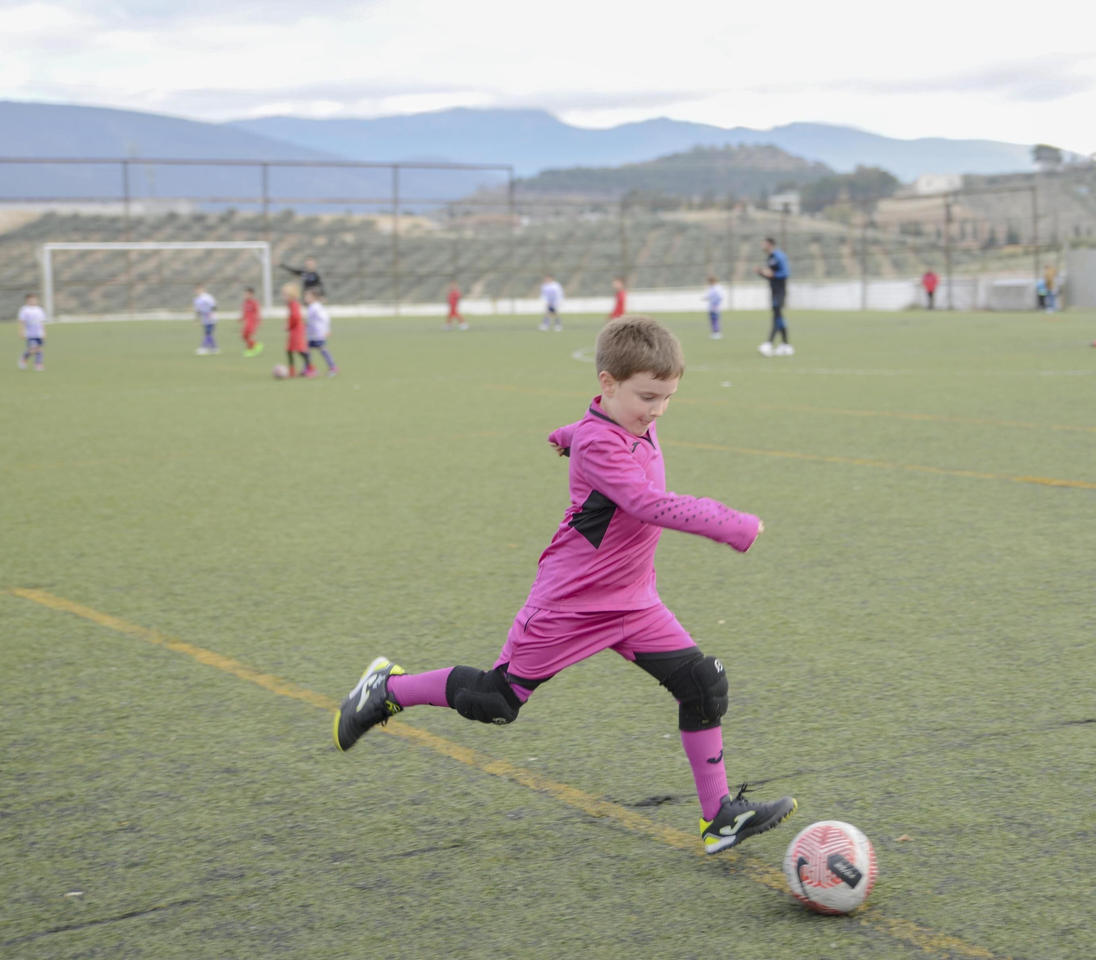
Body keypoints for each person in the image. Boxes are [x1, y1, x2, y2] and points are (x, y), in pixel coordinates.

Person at [331, 315, 796, 855]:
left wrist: (567, 433)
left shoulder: (624, 421)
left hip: (633, 600)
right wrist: (732, 523)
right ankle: (385, 690)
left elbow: (595, 429)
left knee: (702, 685)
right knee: (495, 699)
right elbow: (647, 503)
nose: (657, 410)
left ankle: (719, 817)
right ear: (607, 382)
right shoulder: (604, 442)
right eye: (648, 396)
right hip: (571, 602)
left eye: (668, 398)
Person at [756, 237, 792, 355]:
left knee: (777, 316)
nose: (762, 246)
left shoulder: (779, 256)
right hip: (774, 290)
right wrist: (761, 272)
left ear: (770, 244)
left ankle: (769, 343)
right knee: (778, 316)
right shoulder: (770, 258)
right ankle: (785, 345)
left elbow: (785, 273)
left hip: (780, 291)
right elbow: (770, 276)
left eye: (764, 244)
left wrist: (773, 274)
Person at [283, 282, 312, 377]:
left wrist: (288, 326)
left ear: (291, 295)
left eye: (285, 295)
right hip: (294, 330)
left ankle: (311, 368)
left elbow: (296, 318)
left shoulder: (294, 304)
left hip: (297, 330)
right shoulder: (290, 304)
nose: (284, 297)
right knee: (289, 350)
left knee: (300, 350)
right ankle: (292, 370)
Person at [306, 289, 337, 376]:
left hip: (318, 334)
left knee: (323, 350)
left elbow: (325, 318)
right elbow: (310, 321)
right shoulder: (311, 307)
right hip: (311, 335)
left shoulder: (317, 307)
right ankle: (308, 369)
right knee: (307, 351)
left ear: (314, 298)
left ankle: (333, 367)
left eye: (308, 296)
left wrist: (326, 329)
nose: (305, 298)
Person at [17, 292, 46, 370]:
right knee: (32, 349)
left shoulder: (39, 310)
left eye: (34, 299)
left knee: (39, 349)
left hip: (38, 333)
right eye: (31, 300)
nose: (33, 301)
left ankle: (38, 364)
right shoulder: (25, 310)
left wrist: (43, 332)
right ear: (27, 301)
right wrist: (21, 332)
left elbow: (41, 322)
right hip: (30, 334)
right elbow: (21, 322)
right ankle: (24, 358)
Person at [192, 285, 219, 355]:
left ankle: (203, 348)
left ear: (203, 289)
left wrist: (210, 314)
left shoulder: (207, 297)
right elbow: (198, 311)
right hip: (205, 319)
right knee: (208, 333)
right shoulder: (196, 300)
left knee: (208, 333)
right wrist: (197, 320)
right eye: (197, 289)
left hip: (211, 318)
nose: (198, 291)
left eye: (199, 289)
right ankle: (214, 348)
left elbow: (214, 306)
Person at [240, 286, 263, 357]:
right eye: (245, 294)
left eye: (247, 294)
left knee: (249, 336)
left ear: (251, 295)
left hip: (252, 322)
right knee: (244, 335)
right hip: (247, 322)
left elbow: (257, 312)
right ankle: (254, 345)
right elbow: (245, 312)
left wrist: (259, 321)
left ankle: (252, 348)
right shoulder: (245, 303)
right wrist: (242, 318)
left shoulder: (254, 303)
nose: (245, 296)